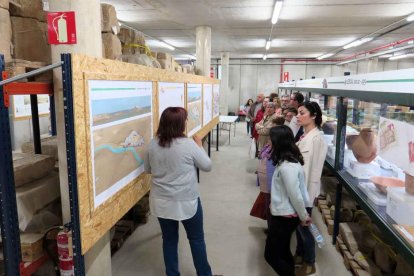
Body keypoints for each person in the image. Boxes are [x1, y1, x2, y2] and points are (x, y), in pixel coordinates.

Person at [144, 107, 215, 276]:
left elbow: (147, 169)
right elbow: (207, 166)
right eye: (185, 120)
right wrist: (200, 147)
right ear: (180, 124)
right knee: (196, 240)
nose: (186, 122)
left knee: (169, 241)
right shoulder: (189, 145)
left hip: (161, 202)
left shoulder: (153, 143)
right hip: (187, 201)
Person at [264, 125, 311, 276]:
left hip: (285, 217)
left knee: (271, 255)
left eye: (271, 139)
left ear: (278, 141)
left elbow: (296, 195)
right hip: (284, 214)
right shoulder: (285, 161)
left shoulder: (288, 167)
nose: (269, 142)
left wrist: (304, 216)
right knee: (283, 251)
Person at [294, 101, 328, 276]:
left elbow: (314, 172)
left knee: (305, 227)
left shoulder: (316, 139)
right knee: (299, 227)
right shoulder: (305, 135)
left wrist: (307, 196)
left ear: (313, 115)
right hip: (299, 190)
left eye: (302, 113)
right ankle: (300, 254)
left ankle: (310, 262)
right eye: (297, 113)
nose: (298, 116)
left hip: (305, 192)